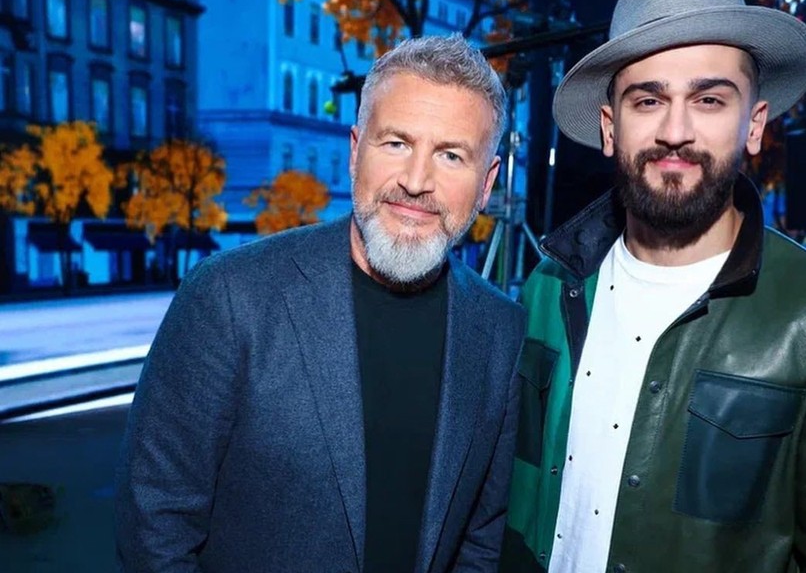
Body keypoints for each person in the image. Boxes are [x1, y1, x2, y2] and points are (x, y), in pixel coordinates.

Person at [500, 0, 806, 573]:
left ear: (754, 125)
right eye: (648, 99)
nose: (676, 131)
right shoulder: (549, 286)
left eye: (709, 99)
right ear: (610, 128)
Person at [116, 35, 526, 573]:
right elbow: (155, 531)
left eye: (451, 155)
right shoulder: (230, 298)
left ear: (487, 183)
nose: (416, 181)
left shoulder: (500, 331)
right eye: (396, 143)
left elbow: (481, 539)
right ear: (355, 151)